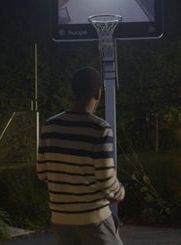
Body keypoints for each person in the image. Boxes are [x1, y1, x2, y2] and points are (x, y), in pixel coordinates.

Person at [37, 66, 125, 245]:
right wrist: (119, 192)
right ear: (98, 93)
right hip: (93, 218)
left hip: (61, 218)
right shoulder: (99, 129)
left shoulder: (49, 126)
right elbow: (105, 178)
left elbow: (42, 173)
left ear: (74, 91)